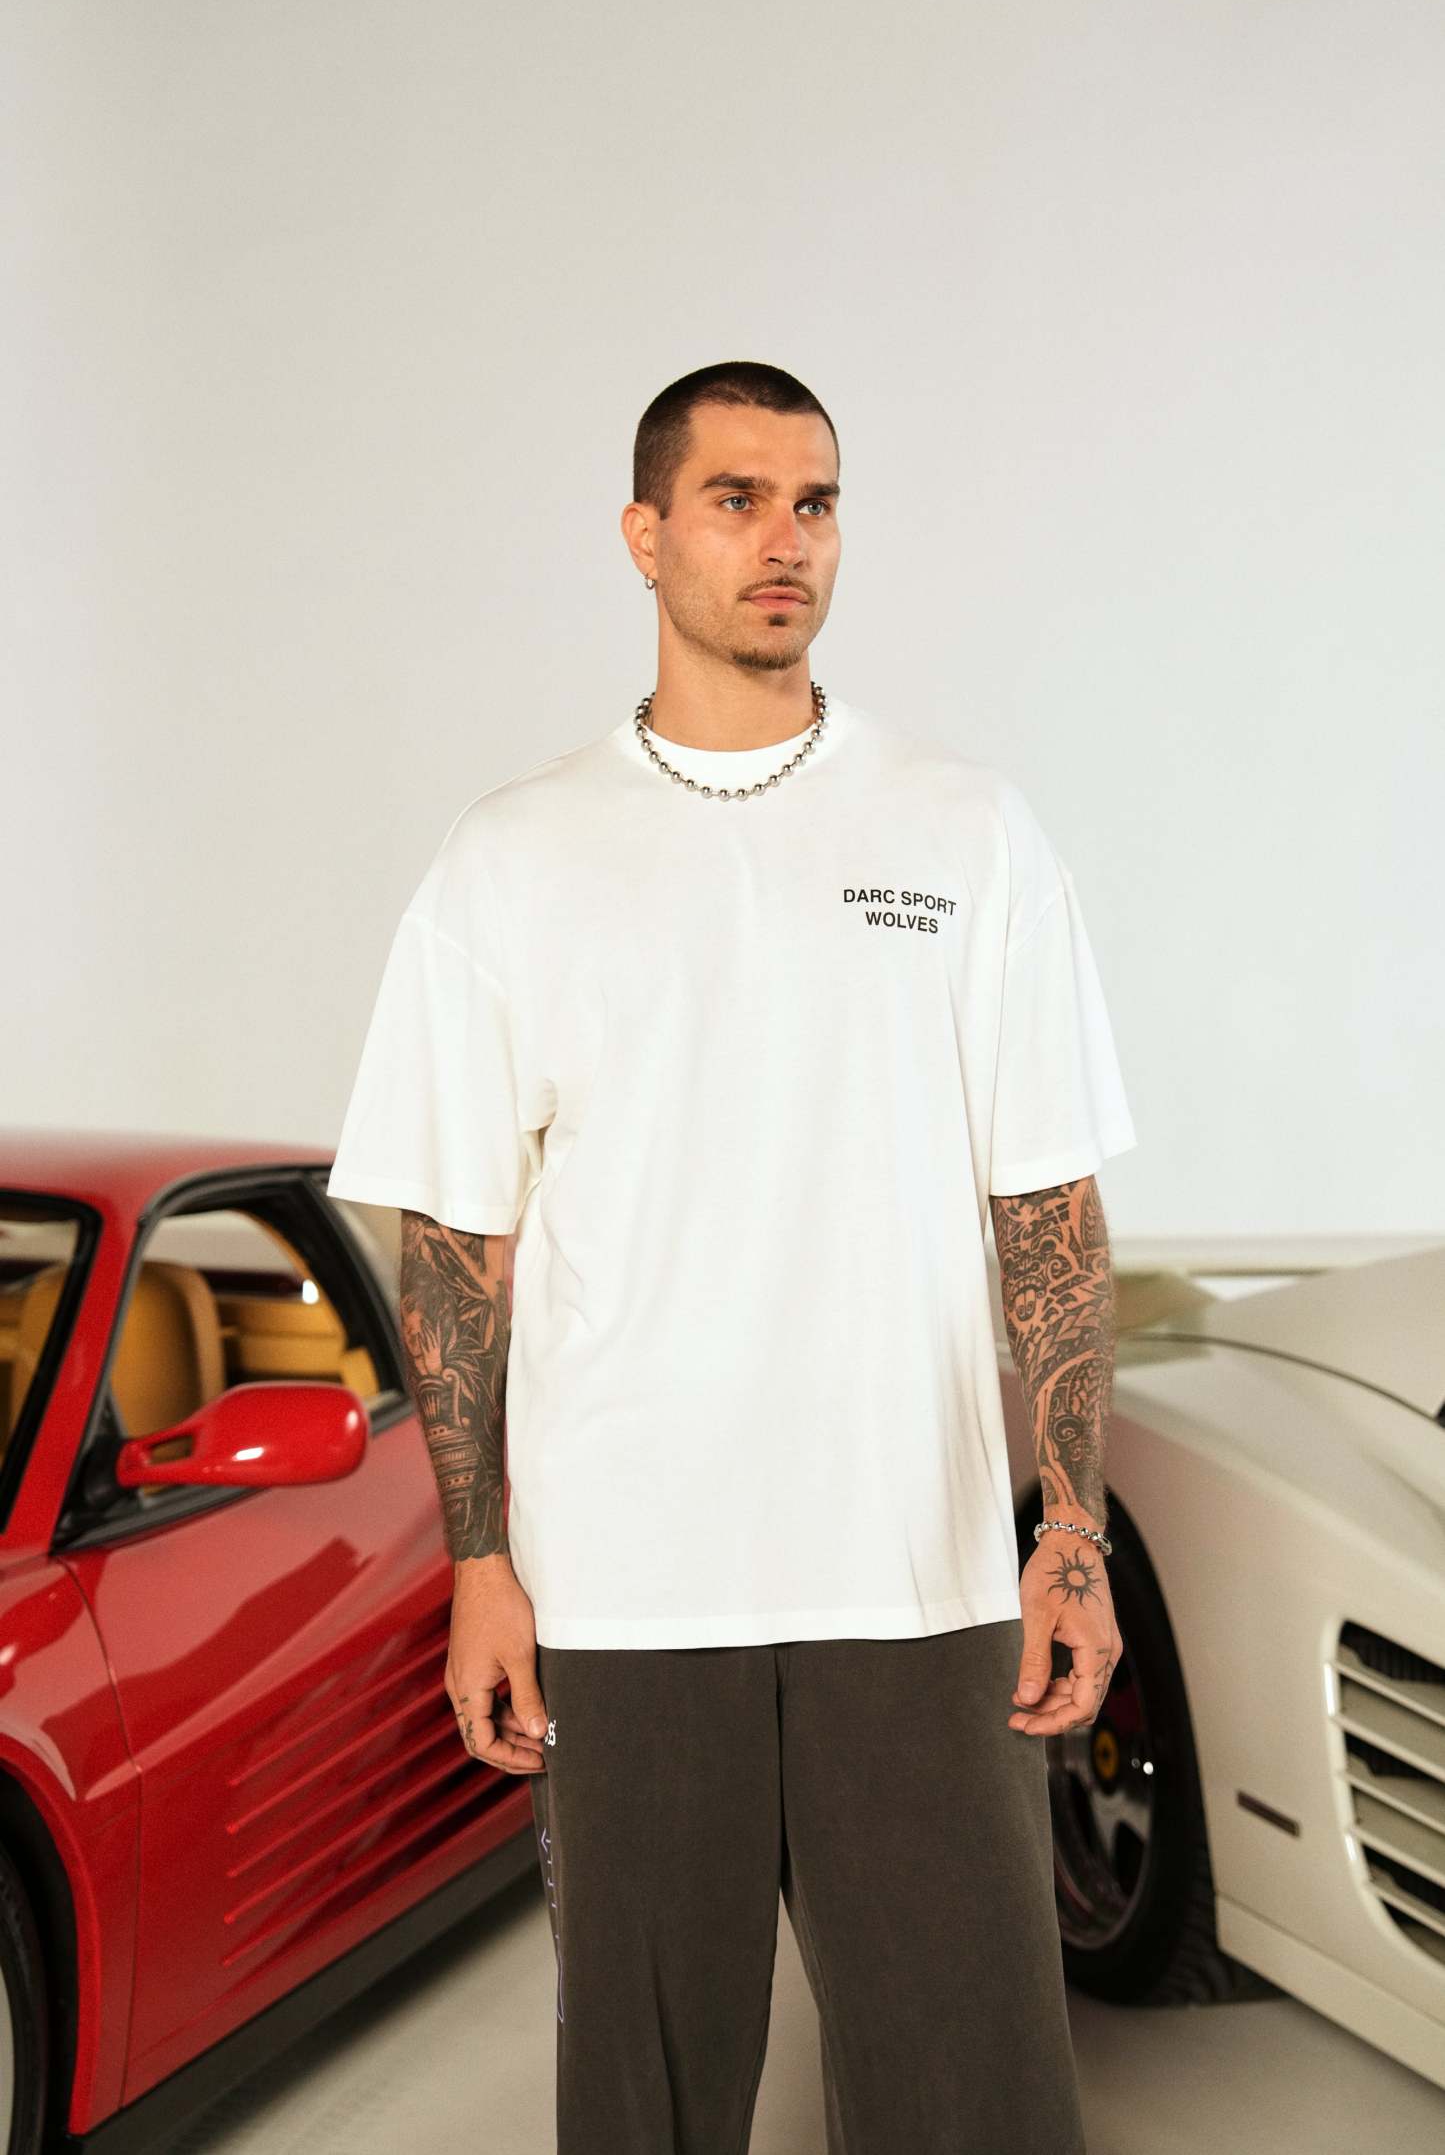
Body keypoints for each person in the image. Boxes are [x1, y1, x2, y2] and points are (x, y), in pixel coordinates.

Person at [326, 359, 1137, 2154]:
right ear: (644, 534)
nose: (786, 540)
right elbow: (451, 1252)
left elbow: (1050, 1219)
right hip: (625, 1595)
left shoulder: (966, 831)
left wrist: (1067, 1531)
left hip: (915, 1582)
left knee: (974, 2103)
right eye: (737, 499)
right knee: (646, 2103)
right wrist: (480, 1565)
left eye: (816, 501)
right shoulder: (512, 859)